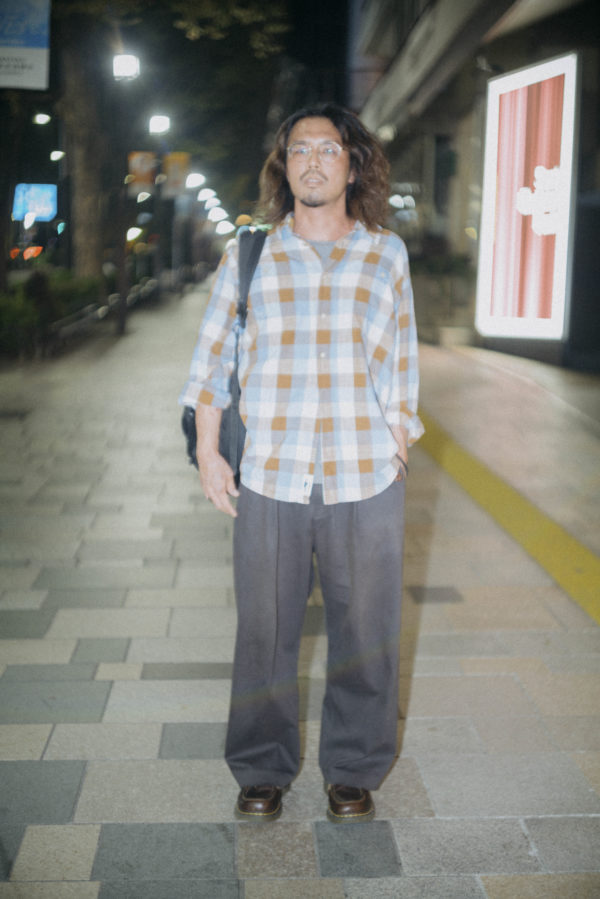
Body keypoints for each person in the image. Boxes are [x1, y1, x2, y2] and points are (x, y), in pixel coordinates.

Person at [180, 102, 423, 823]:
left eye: (327, 148)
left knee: (366, 633)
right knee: (264, 631)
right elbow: (212, 362)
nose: (312, 161)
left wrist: (398, 446)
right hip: (272, 475)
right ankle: (262, 767)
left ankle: (353, 767)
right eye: (298, 150)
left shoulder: (385, 253)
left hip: (365, 476)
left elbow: (401, 361)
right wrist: (208, 452)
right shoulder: (250, 255)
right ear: (283, 167)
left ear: (353, 164)